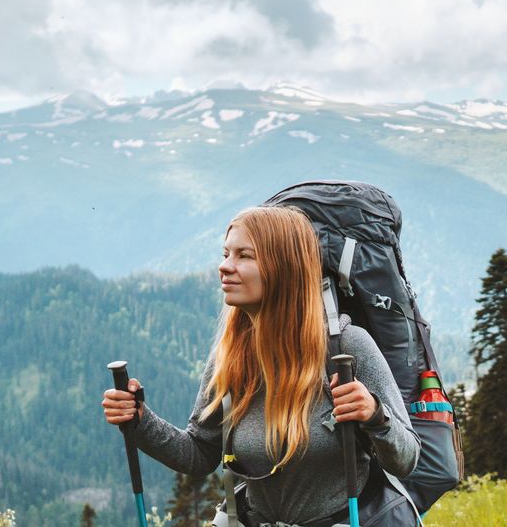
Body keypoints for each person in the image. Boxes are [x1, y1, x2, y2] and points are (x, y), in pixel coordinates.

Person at [102, 206, 419, 526]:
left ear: (284, 267)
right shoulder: (229, 360)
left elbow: (407, 459)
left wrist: (376, 415)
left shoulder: (346, 350)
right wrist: (140, 419)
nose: (225, 267)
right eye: (226, 254)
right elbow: (199, 454)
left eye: (244, 256)